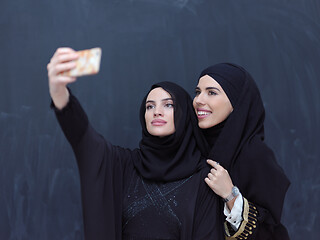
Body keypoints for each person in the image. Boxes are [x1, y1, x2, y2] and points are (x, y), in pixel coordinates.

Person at [47, 48, 225, 240]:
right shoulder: (124, 165)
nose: (157, 111)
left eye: (168, 105)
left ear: (184, 116)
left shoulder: (204, 177)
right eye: (150, 106)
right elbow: (82, 137)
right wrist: (59, 92)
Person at [193, 63, 290, 239]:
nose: (199, 100)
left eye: (212, 92)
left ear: (236, 102)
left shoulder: (255, 156)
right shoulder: (191, 149)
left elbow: (269, 230)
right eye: (198, 92)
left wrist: (230, 194)